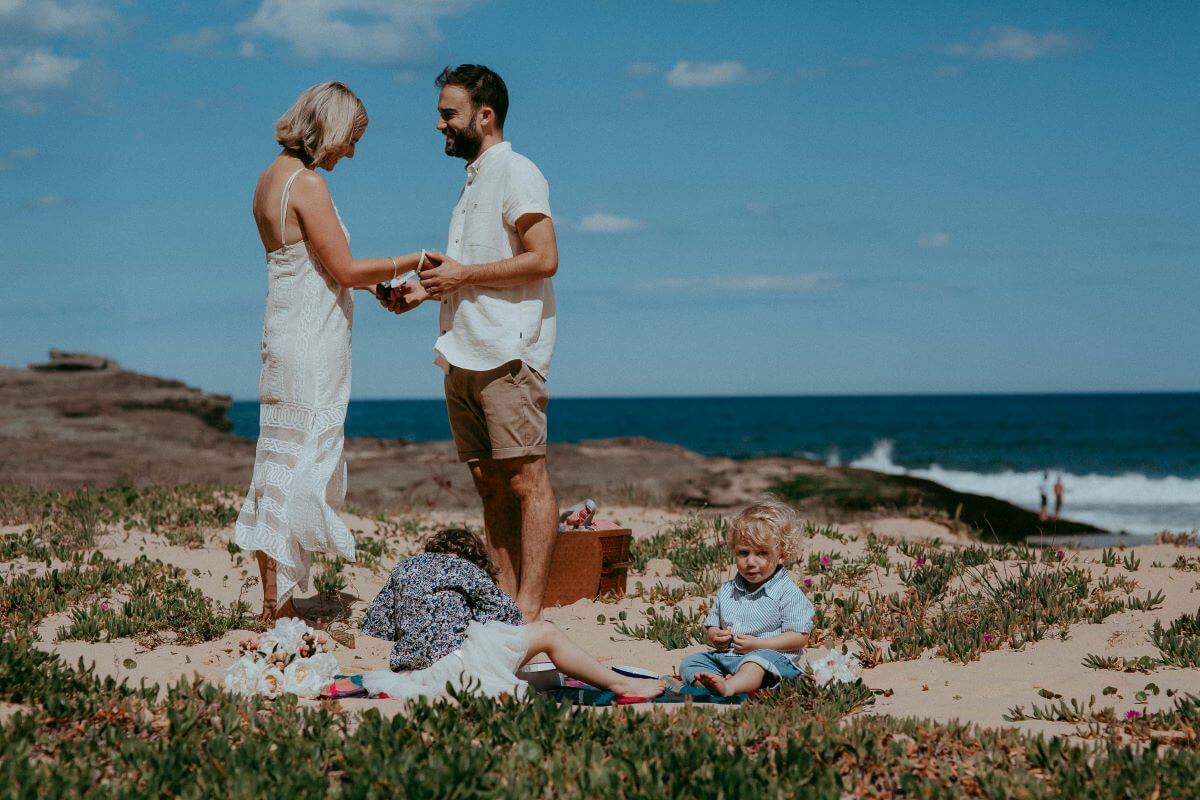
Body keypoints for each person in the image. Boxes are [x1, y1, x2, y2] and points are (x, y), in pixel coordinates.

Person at [236, 81, 433, 621]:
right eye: (352, 138)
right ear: (329, 130)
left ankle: (273, 601)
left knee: (277, 462)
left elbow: (316, 266)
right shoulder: (307, 185)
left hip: (283, 334)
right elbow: (342, 268)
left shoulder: (268, 180)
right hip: (311, 342)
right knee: (301, 464)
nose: (352, 151)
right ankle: (278, 605)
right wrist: (411, 260)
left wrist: (372, 288)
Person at [379, 65, 560, 622]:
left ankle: (528, 610)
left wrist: (463, 276)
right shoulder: (474, 180)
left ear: (485, 115)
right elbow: (471, 273)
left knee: (527, 480)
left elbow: (544, 258)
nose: (439, 125)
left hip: (508, 352)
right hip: (462, 350)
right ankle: (503, 603)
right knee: (488, 484)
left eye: (447, 114)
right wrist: (426, 291)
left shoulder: (517, 171)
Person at [358, 529, 665, 700]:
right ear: (475, 558)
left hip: (410, 677)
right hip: (453, 669)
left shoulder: (403, 568)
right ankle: (621, 685)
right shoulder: (467, 569)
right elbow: (509, 618)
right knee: (546, 633)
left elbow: (379, 626)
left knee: (496, 660)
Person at [680, 497, 815, 697]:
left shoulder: (788, 592)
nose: (751, 562)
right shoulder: (727, 590)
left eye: (761, 553)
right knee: (691, 663)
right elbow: (712, 625)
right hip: (728, 657)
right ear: (734, 551)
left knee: (755, 663)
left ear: (781, 555)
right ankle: (721, 684)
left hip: (770, 658)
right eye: (743, 553)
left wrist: (758, 645)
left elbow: (799, 637)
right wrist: (716, 636)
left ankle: (730, 687)